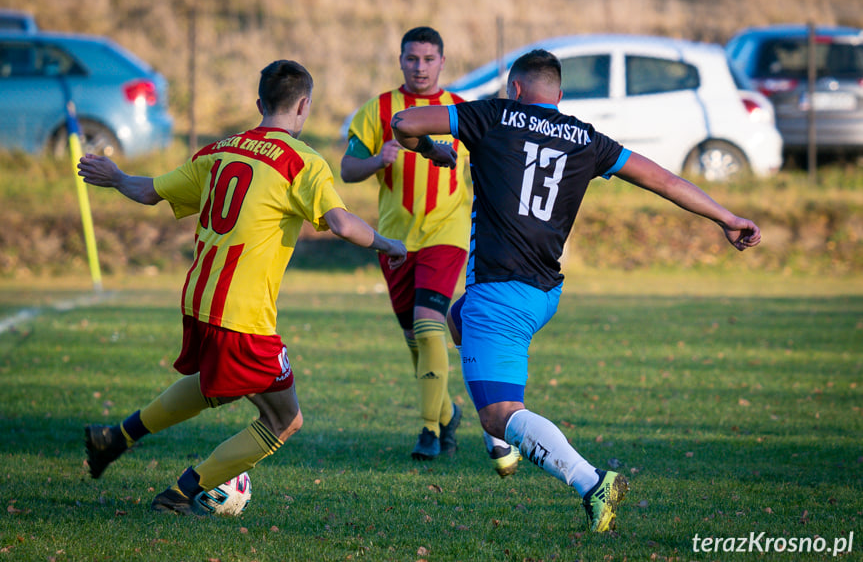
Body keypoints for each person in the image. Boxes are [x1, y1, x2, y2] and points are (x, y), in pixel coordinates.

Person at [390, 49, 761, 532]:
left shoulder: (493, 115)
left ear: (515, 90)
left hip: (501, 295)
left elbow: (405, 120)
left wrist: (431, 150)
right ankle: (502, 431)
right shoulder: (585, 137)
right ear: (559, 96)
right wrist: (727, 218)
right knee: (456, 319)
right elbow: (663, 180)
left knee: (500, 412)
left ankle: (588, 481)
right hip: (544, 293)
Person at [78, 59, 407, 516]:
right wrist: (390, 244)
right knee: (283, 420)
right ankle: (180, 494)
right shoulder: (302, 162)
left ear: (259, 104)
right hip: (242, 314)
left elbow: (150, 191)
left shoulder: (219, 151)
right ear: (304, 106)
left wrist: (114, 177)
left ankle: (117, 437)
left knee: (217, 386)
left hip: (199, 299)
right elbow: (341, 223)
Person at [340, 26, 471, 461]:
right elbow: (347, 169)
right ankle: (449, 412)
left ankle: (429, 431)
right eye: (412, 59)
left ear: (442, 62)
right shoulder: (378, 110)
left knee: (429, 322)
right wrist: (378, 159)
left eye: (428, 59)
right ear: (400, 60)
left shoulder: (463, 110)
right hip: (395, 240)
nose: (420, 67)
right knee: (416, 339)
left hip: (446, 233)